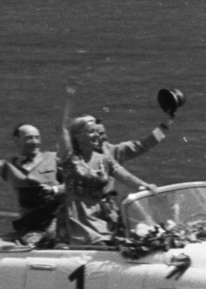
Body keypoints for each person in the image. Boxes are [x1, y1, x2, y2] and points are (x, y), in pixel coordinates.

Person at [54, 90, 178, 244]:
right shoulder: (70, 156)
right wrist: (68, 98)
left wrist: (145, 186)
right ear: (78, 136)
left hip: (103, 211)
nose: (99, 136)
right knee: (101, 243)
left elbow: (126, 175)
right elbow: (61, 129)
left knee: (126, 238)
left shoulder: (109, 155)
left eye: (100, 132)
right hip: (77, 216)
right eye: (92, 132)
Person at [0, 124, 63, 241]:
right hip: (31, 224)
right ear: (17, 140)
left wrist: (55, 190)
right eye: (29, 138)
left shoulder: (53, 159)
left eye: (37, 137)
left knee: (53, 237)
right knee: (33, 242)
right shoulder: (10, 165)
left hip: (57, 219)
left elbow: (72, 184)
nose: (35, 142)